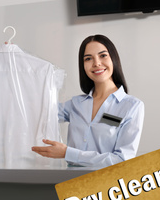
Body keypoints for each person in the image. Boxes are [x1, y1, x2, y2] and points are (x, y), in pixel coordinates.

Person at [32, 34, 144, 167]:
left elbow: (122, 160)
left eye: (103, 56)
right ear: (83, 65)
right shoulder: (75, 104)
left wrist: (68, 153)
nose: (96, 63)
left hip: (106, 185)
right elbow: (36, 110)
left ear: (113, 58)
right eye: (88, 58)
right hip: (69, 183)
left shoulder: (131, 106)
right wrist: (13, 60)